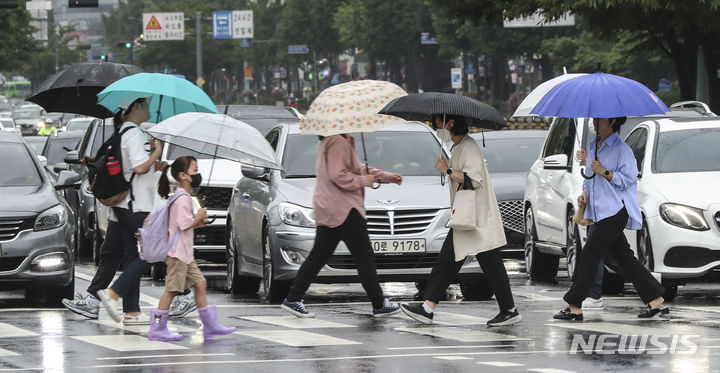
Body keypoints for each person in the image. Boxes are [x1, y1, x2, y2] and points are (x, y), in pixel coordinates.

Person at [400, 115, 521, 327]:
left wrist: (446, 170)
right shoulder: (460, 147)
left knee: (486, 264)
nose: (437, 128)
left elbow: (473, 180)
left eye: (438, 123)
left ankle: (509, 310)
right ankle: (428, 307)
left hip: (476, 217)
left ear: (450, 123)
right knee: (449, 262)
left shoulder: (469, 147)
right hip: (467, 217)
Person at [62, 97, 166, 325]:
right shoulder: (134, 135)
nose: (149, 108)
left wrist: (155, 165)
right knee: (152, 252)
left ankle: (131, 311)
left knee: (126, 255)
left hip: (122, 206)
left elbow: (132, 168)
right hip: (135, 205)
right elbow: (138, 167)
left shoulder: (124, 134)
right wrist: (156, 153)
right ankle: (112, 294)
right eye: (145, 104)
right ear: (135, 108)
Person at [554, 117, 667, 321]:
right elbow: (590, 179)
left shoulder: (622, 149)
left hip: (615, 211)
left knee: (588, 255)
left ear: (613, 121)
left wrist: (604, 171)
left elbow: (628, 179)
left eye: (599, 118)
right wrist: (584, 193)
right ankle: (655, 299)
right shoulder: (592, 145)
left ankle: (574, 305)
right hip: (598, 211)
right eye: (594, 118)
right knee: (625, 258)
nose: (594, 122)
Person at [280, 133, 403, 318]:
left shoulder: (329, 141)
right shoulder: (338, 142)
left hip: (328, 206)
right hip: (344, 208)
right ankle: (379, 304)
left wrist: (383, 176)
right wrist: (364, 181)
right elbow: (338, 174)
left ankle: (293, 298)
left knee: (319, 256)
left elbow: (356, 168)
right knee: (364, 256)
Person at [120, 155, 235, 341]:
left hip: (185, 254)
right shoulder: (182, 198)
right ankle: (157, 327)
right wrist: (198, 218)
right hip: (178, 255)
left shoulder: (184, 197)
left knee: (200, 284)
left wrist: (199, 223)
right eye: (194, 171)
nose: (197, 174)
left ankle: (211, 326)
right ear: (183, 175)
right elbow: (183, 224)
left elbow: (182, 226)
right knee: (172, 290)